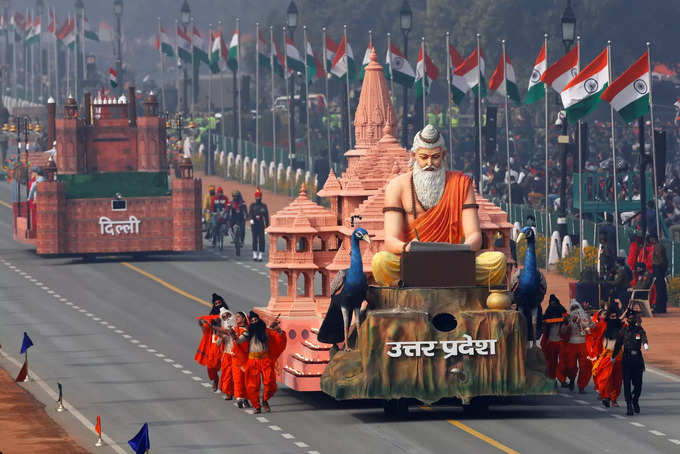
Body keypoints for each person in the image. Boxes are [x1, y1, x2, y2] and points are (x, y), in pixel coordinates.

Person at [372, 124, 504, 286]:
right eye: (424, 157)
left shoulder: (461, 184)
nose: (430, 163)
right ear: (414, 156)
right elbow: (390, 240)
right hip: (413, 262)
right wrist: (408, 247)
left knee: (497, 261)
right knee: (381, 262)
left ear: (443, 155)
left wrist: (460, 250)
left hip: (453, 262)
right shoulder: (397, 186)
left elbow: (475, 236)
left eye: (435, 157)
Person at [234, 311, 287, 414]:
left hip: (265, 360)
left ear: (259, 320)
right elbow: (239, 341)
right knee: (252, 385)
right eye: (252, 321)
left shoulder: (266, 331)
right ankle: (256, 406)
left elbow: (278, 337)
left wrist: (279, 330)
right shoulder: (248, 332)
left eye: (256, 320)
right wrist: (234, 337)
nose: (254, 322)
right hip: (252, 361)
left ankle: (265, 401)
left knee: (270, 383)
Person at [614, 309, 649, 416]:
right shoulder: (623, 331)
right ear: (627, 319)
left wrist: (645, 344)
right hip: (627, 358)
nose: (631, 320)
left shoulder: (639, 329)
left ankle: (635, 400)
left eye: (633, 318)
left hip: (637, 358)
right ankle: (629, 405)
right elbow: (618, 344)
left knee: (638, 384)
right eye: (629, 318)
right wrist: (613, 356)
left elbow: (643, 337)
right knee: (627, 384)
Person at [592, 303, 624, 408]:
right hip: (606, 356)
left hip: (618, 357)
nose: (613, 319)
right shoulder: (603, 326)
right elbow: (592, 329)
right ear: (608, 317)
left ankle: (614, 399)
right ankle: (606, 396)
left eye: (615, 317)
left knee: (617, 381)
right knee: (604, 378)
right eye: (611, 317)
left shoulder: (621, 327)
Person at [559, 301, 593, 393]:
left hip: (582, 344)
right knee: (570, 366)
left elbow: (590, 330)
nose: (575, 310)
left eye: (576, 308)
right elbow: (562, 332)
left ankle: (581, 386)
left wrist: (581, 324)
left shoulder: (585, 317)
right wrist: (566, 323)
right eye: (573, 308)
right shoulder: (568, 318)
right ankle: (572, 379)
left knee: (584, 366)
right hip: (571, 344)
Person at [540, 294, 568, 384]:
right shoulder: (548, 312)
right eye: (552, 303)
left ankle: (562, 380)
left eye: (554, 303)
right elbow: (543, 324)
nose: (553, 304)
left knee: (563, 363)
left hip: (560, 341)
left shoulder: (561, 310)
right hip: (551, 341)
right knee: (551, 363)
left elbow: (567, 320)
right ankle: (553, 380)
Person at [194, 311, 223, 392]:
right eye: (214, 318)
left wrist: (214, 327)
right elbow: (204, 330)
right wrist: (201, 324)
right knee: (210, 368)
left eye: (218, 318)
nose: (216, 319)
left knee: (225, 372)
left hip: (222, 353)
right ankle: (215, 380)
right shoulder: (210, 328)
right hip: (212, 352)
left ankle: (229, 390)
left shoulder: (223, 328)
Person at [649, 233, 668, 313]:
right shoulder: (658, 246)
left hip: (658, 268)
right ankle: (661, 307)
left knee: (659, 289)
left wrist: (660, 269)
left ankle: (660, 308)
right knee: (660, 289)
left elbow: (660, 259)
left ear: (653, 238)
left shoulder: (657, 247)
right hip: (659, 269)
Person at [249, 187, 270, 262]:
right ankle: (254, 254)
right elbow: (250, 214)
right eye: (257, 196)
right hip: (254, 225)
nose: (258, 198)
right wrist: (251, 220)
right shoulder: (252, 205)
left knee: (262, 240)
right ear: (255, 197)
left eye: (259, 196)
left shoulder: (264, 206)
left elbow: (266, 217)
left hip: (261, 225)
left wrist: (267, 227)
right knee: (254, 240)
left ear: (261, 197)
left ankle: (260, 254)